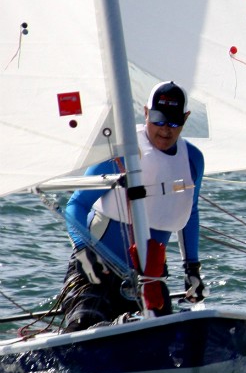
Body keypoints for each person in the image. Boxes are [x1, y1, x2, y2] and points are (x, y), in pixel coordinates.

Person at [61, 81, 208, 332]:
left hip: (150, 275)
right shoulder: (121, 151)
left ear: (185, 118)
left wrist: (192, 269)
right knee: (83, 327)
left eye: (173, 123)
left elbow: (189, 213)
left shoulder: (193, 159)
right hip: (96, 272)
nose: (165, 131)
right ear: (146, 112)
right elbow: (76, 205)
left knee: (164, 338)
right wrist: (84, 252)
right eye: (159, 121)